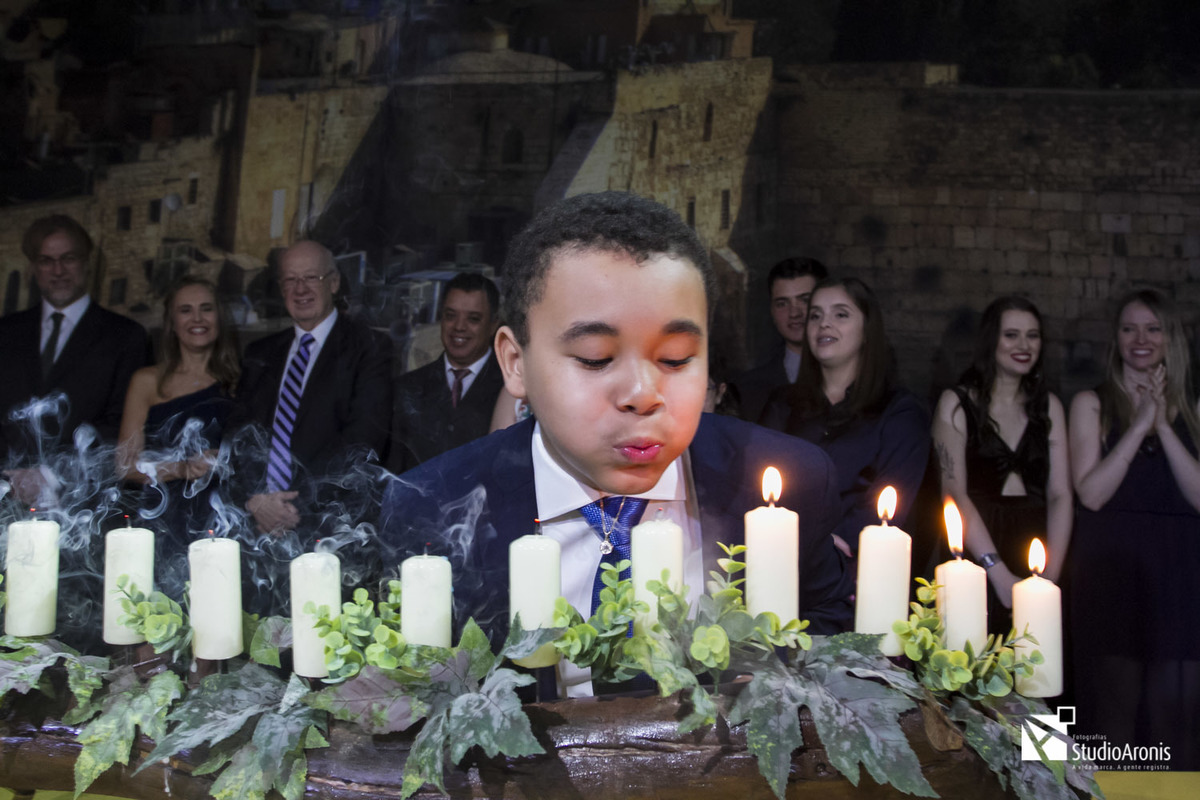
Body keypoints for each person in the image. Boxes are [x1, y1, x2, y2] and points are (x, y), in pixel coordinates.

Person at [379, 192, 851, 697]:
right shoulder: (430, 507)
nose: (643, 396)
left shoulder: (787, 487)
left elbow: (834, 635)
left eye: (675, 358)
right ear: (516, 362)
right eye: (595, 357)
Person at [1068, 288, 1200, 768]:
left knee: (1176, 720)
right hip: (1113, 572)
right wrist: (1139, 423)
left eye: (1152, 328)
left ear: (1171, 339)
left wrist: (1164, 426)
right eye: (1129, 328)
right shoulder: (1092, 402)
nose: (1139, 339)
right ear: (1116, 338)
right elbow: (1091, 493)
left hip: (1180, 574)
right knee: (1113, 720)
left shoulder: (1194, 407)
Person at [230, 240, 392, 536]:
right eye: (290, 279)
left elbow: (362, 442)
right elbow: (239, 436)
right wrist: (256, 501)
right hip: (256, 526)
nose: (300, 289)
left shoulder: (369, 348)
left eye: (311, 278)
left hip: (329, 528)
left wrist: (293, 505)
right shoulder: (260, 353)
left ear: (333, 283)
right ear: (281, 289)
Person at [932, 297, 1072, 635]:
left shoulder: (1048, 405)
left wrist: (1049, 578)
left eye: (1033, 335)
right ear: (990, 340)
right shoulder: (957, 403)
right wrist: (997, 572)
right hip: (977, 546)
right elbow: (954, 494)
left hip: (1035, 539)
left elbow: (1060, 494)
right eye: (1011, 335)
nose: (1024, 345)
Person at [763, 277, 930, 557]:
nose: (824, 324)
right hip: (781, 555)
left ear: (867, 330)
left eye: (840, 314)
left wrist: (834, 542)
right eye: (815, 315)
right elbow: (756, 478)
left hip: (857, 566)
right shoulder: (784, 404)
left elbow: (893, 498)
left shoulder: (900, 411)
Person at [0, 214, 150, 505]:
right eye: (46, 260)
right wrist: (9, 478)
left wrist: (52, 475)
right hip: (5, 501)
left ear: (86, 262)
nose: (58, 270)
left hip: (86, 503)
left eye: (68, 258)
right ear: (33, 268)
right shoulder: (4, 334)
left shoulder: (125, 336)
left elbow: (124, 425)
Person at [116, 277, 239, 585]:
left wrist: (227, 460)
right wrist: (183, 468)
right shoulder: (146, 381)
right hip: (164, 518)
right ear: (171, 322)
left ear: (219, 317)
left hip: (227, 518)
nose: (197, 318)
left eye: (206, 309)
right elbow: (124, 466)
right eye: (185, 310)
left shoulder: (243, 380)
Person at [388, 273, 504, 472]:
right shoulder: (406, 388)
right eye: (450, 316)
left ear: (493, 325)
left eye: (473, 319)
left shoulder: (512, 390)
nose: (459, 327)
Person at [734, 257, 827, 424]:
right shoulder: (747, 388)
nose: (794, 313)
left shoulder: (861, 380)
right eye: (782, 303)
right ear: (771, 311)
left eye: (805, 300)